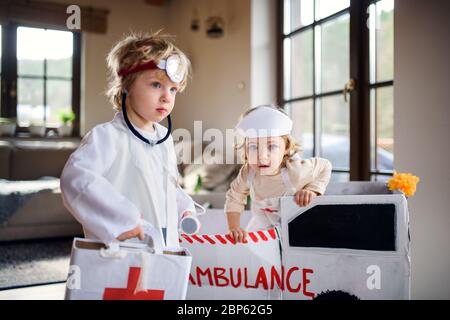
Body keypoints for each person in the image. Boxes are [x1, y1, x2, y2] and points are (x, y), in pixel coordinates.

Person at [60, 32, 196, 248]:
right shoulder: (107, 137)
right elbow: (76, 180)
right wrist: (122, 219)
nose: (167, 97)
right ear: (126, 85)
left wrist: (183, 208)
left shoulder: (164, 139)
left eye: (173, 89)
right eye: (155, 85)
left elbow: (164, 187)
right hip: (123, 249)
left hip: (164, 248)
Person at [225, 105, 332, 243]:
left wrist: (312, 189)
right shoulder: (248, 172)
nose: (262, 157)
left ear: (286, 148)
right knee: (249, 254)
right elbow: (235, 197)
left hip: (294, 226)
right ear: (245, 150)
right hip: (261, 226)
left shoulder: (295, 171)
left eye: (272, 146)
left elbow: (325, 166)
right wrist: (234, 227)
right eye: (253, 147)